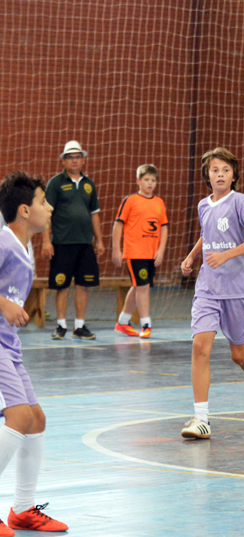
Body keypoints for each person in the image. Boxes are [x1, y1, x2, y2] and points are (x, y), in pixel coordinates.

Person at [179, 147, 244, 439]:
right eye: (214, 170)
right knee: (200, 348)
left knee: (239, 353)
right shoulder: (203, 206)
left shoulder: (242, 203)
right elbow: (207, 235)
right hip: (208, 288)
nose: (220, 174)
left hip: (238, 289)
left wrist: (227, 255)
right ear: (207, 176)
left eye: (225, 169)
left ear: (234, 175)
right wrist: (192, 256)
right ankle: (201, 419)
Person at [0, 171, 68, 534]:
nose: (50, 207)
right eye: (44, 201)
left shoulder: (23, 247)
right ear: (24, 210)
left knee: (36, 419)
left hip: (9, 348)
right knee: (19, 416)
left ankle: (23, 509)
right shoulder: (3, 242)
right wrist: (3, 305)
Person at [41, 141, 104, 340]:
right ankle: (60, 326)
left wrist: (99, 240)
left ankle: (79, 326)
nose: (75, 160)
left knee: (83, 285)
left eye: (78, 156)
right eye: (70, 157)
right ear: (63, 160)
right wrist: (46, 241)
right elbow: (46, 214)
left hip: (85, 244)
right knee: (61, 285)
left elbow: (94, 213)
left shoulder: (88, 184)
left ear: (83, 160)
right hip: (61, 243)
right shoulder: (56, 183)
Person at [112, 164, 169, 339]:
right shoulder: (130, 200)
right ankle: (146, 324)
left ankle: (123, 322)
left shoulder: (159, 202)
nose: (150, 183)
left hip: (151, 253)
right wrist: (116, 249)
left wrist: (161, 250)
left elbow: (164, 227)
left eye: (153, 180)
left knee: (139, 286)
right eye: (146, 180)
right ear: (138, 181)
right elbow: (118, 224)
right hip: (135, 252)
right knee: (143, 287)